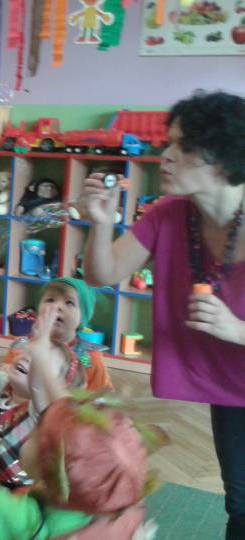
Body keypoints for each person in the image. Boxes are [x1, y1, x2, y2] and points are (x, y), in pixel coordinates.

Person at [82, 90, 245, 539]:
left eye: (183, 146)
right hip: (233, 389)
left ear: (225, 158)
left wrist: (237, 329)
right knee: (242, 505)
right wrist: (100, 224)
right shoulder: (171, 213)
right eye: (167, 143)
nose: (165, 156)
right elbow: (103, 273)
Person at [0, 308, 162, 539]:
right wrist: (40, 353)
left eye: (39, 430)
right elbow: (67, 409)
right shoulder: (107, 500)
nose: (36, 424)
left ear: (48, 466)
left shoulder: (25, 519)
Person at [0, 273, 113, 391]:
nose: (56, 306)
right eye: (50, 300)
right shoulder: (21, 346)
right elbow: (6, 384)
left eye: (69, 303)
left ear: (83, 317)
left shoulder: (90, 358)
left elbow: (101, 398)